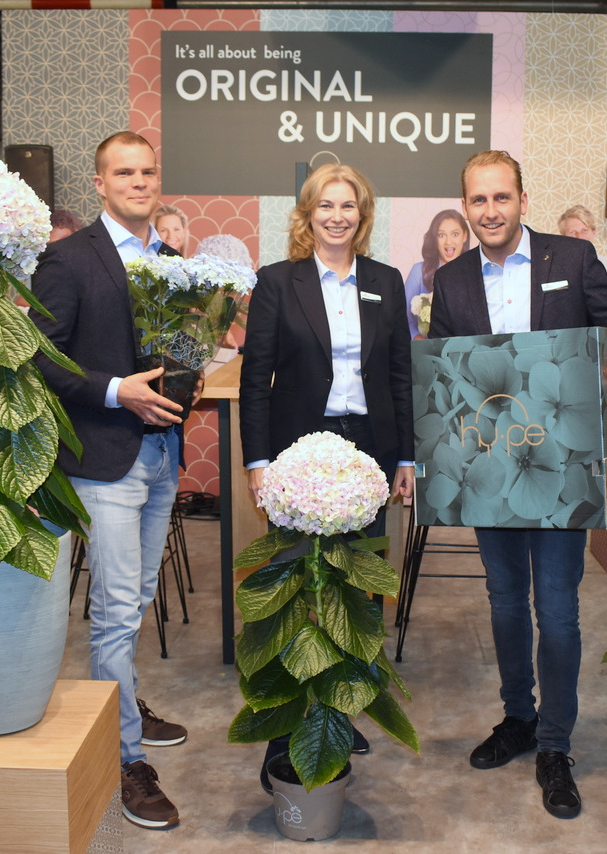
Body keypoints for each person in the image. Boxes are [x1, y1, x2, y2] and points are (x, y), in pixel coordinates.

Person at [428, 150, 607, 821]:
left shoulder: (573, 259)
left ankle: (556, 745)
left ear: (523, 201)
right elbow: (443, 368)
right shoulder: (452, 280)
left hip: (564, 463)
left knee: (556, 610)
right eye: (478, 200)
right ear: (466, 207)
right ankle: (519, 719)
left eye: (501, 197)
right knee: (505, 602)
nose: (490, 211)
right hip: (492, 465)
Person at [29, 131, 192, 831]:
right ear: (99, 183)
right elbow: (40, 357)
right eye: (125, 173)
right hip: (103, 457)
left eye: (148, 171)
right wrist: (114, 389)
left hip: (160, 455)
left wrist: (189, 367)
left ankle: (119, 705)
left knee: (138, 599)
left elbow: (175, 351)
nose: (139, 182)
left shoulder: (172, 262)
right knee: (117, 609)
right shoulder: (69, 258)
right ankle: (124, 758)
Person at [239, 163, 416, 790]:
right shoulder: (276, 282)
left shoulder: (386, 281)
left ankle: (339, 711)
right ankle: (284, 728)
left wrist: (406, 458)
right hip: (298, 452)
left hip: (371, 450)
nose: (337, 217)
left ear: (361, 215)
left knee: (358, 589)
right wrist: (258, 463)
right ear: (307, 214)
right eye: (326, 206)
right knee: (297, 585)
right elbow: (255, 380)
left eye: (348, 206)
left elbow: (401, 376)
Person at [403, 209, 470, 338]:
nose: (449, 242)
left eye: (455, 234)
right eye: (441, 235)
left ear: (465, 236)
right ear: (434, 239)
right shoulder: (419, 271)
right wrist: (419, 340)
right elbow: (402, 317)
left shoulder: (475, 272)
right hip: (426, 347)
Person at [557, 204, 607, 289]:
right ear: (563, 237)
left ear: (593, 232)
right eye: (572, 232)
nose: (579, 237)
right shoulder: (554, 268)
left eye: (584, 230)